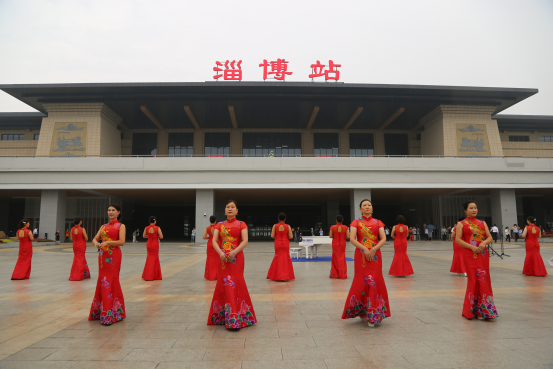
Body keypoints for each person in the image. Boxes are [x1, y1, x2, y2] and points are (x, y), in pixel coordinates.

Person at [207, 200, 257, 329]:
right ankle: (222, 317)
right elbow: (214, 241)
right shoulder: (219, 225)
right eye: (227, 207)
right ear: (224, 210)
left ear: (237, 210)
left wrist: (234, 252)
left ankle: (238, 316)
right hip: (222, 259)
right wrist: (220, 253)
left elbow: (245, 241)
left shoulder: (241, 224)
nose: (230, 209)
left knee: (237, 281)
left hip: (237, 258)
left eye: (232, 207)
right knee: (223, 283)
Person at [342, 199, 390, 327]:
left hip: (375, 255)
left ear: (372, 208)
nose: (367, 207)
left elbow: (383, 239)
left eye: (369, 205)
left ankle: (372, 314)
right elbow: (352, 239)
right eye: (364, 205)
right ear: (360, 209)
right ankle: (363, 312)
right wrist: (364, 249)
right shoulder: (355, 222)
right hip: (361, 256)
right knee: (362, 282)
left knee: (375, 280)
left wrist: (373, 249)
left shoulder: (378, 222)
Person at [455, 200, 498, 320]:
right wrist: (472, 247)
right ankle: (471, 310)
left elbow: (490, 237)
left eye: (475, 208)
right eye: (471, 208)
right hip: (469, 254)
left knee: (484, 279)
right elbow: (458, 239)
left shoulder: (482, 223)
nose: (474, 210)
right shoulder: (461, 224)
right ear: (465, 210)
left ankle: (485, 310)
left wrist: (483, 243)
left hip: (482, 254)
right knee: (473, 280)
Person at [89, 204, 126, 325]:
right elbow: (94, 238)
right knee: (102, 280)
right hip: (102, 256)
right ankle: (101, 312)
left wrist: (107, 242)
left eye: (113, 210)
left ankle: (113, 313)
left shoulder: (121, 226)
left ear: (118, 212)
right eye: (109, 210)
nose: (111, 212)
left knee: (111, 280)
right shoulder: (103, 226)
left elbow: (121, 242)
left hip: (114, 256)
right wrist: (97, 244)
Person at [267, 212, 295, 281]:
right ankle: (286, 276)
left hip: (278, 243)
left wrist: (278, 237)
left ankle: (275, 275)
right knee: (285, 257)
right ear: (285, 219)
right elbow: (291, 236)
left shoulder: (275, 226)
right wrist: (285, 237)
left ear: (278, 219)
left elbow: (272, 235)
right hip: (285, 243)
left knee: (277, 256)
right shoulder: (288, 226)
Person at [142, 216, 163, 281]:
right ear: (155, 221)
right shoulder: (157, 228)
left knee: (149, 257)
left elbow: (144, 236)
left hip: (149, 243)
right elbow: (161, 236)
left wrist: (149, 236)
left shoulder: (146, 228)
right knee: (155, 258)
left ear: (149, 221)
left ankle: (147, 275)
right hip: (155, 244)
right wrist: (156, 236)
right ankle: (155, 275)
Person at [329, 214, 349, 279]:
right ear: (342, 220)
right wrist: (343, 236)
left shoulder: (332, 227)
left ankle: (335, 274)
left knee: (335, 257)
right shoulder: (346, 227)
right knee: (342, 257)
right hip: (343, 243)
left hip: (335, 243)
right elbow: (348, 236)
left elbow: (330, 236)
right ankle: (342, 274)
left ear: (336, 220)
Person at [203, 215, 219, 281]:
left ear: (209, 221)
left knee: (210, 259)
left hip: (210, 244)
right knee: (217, 260)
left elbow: (204, 237)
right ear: (215, 221)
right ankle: (216, 275)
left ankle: (209, 275)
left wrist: (210, 237)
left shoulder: (207, 228)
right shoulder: (217, 227)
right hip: (216, 244)